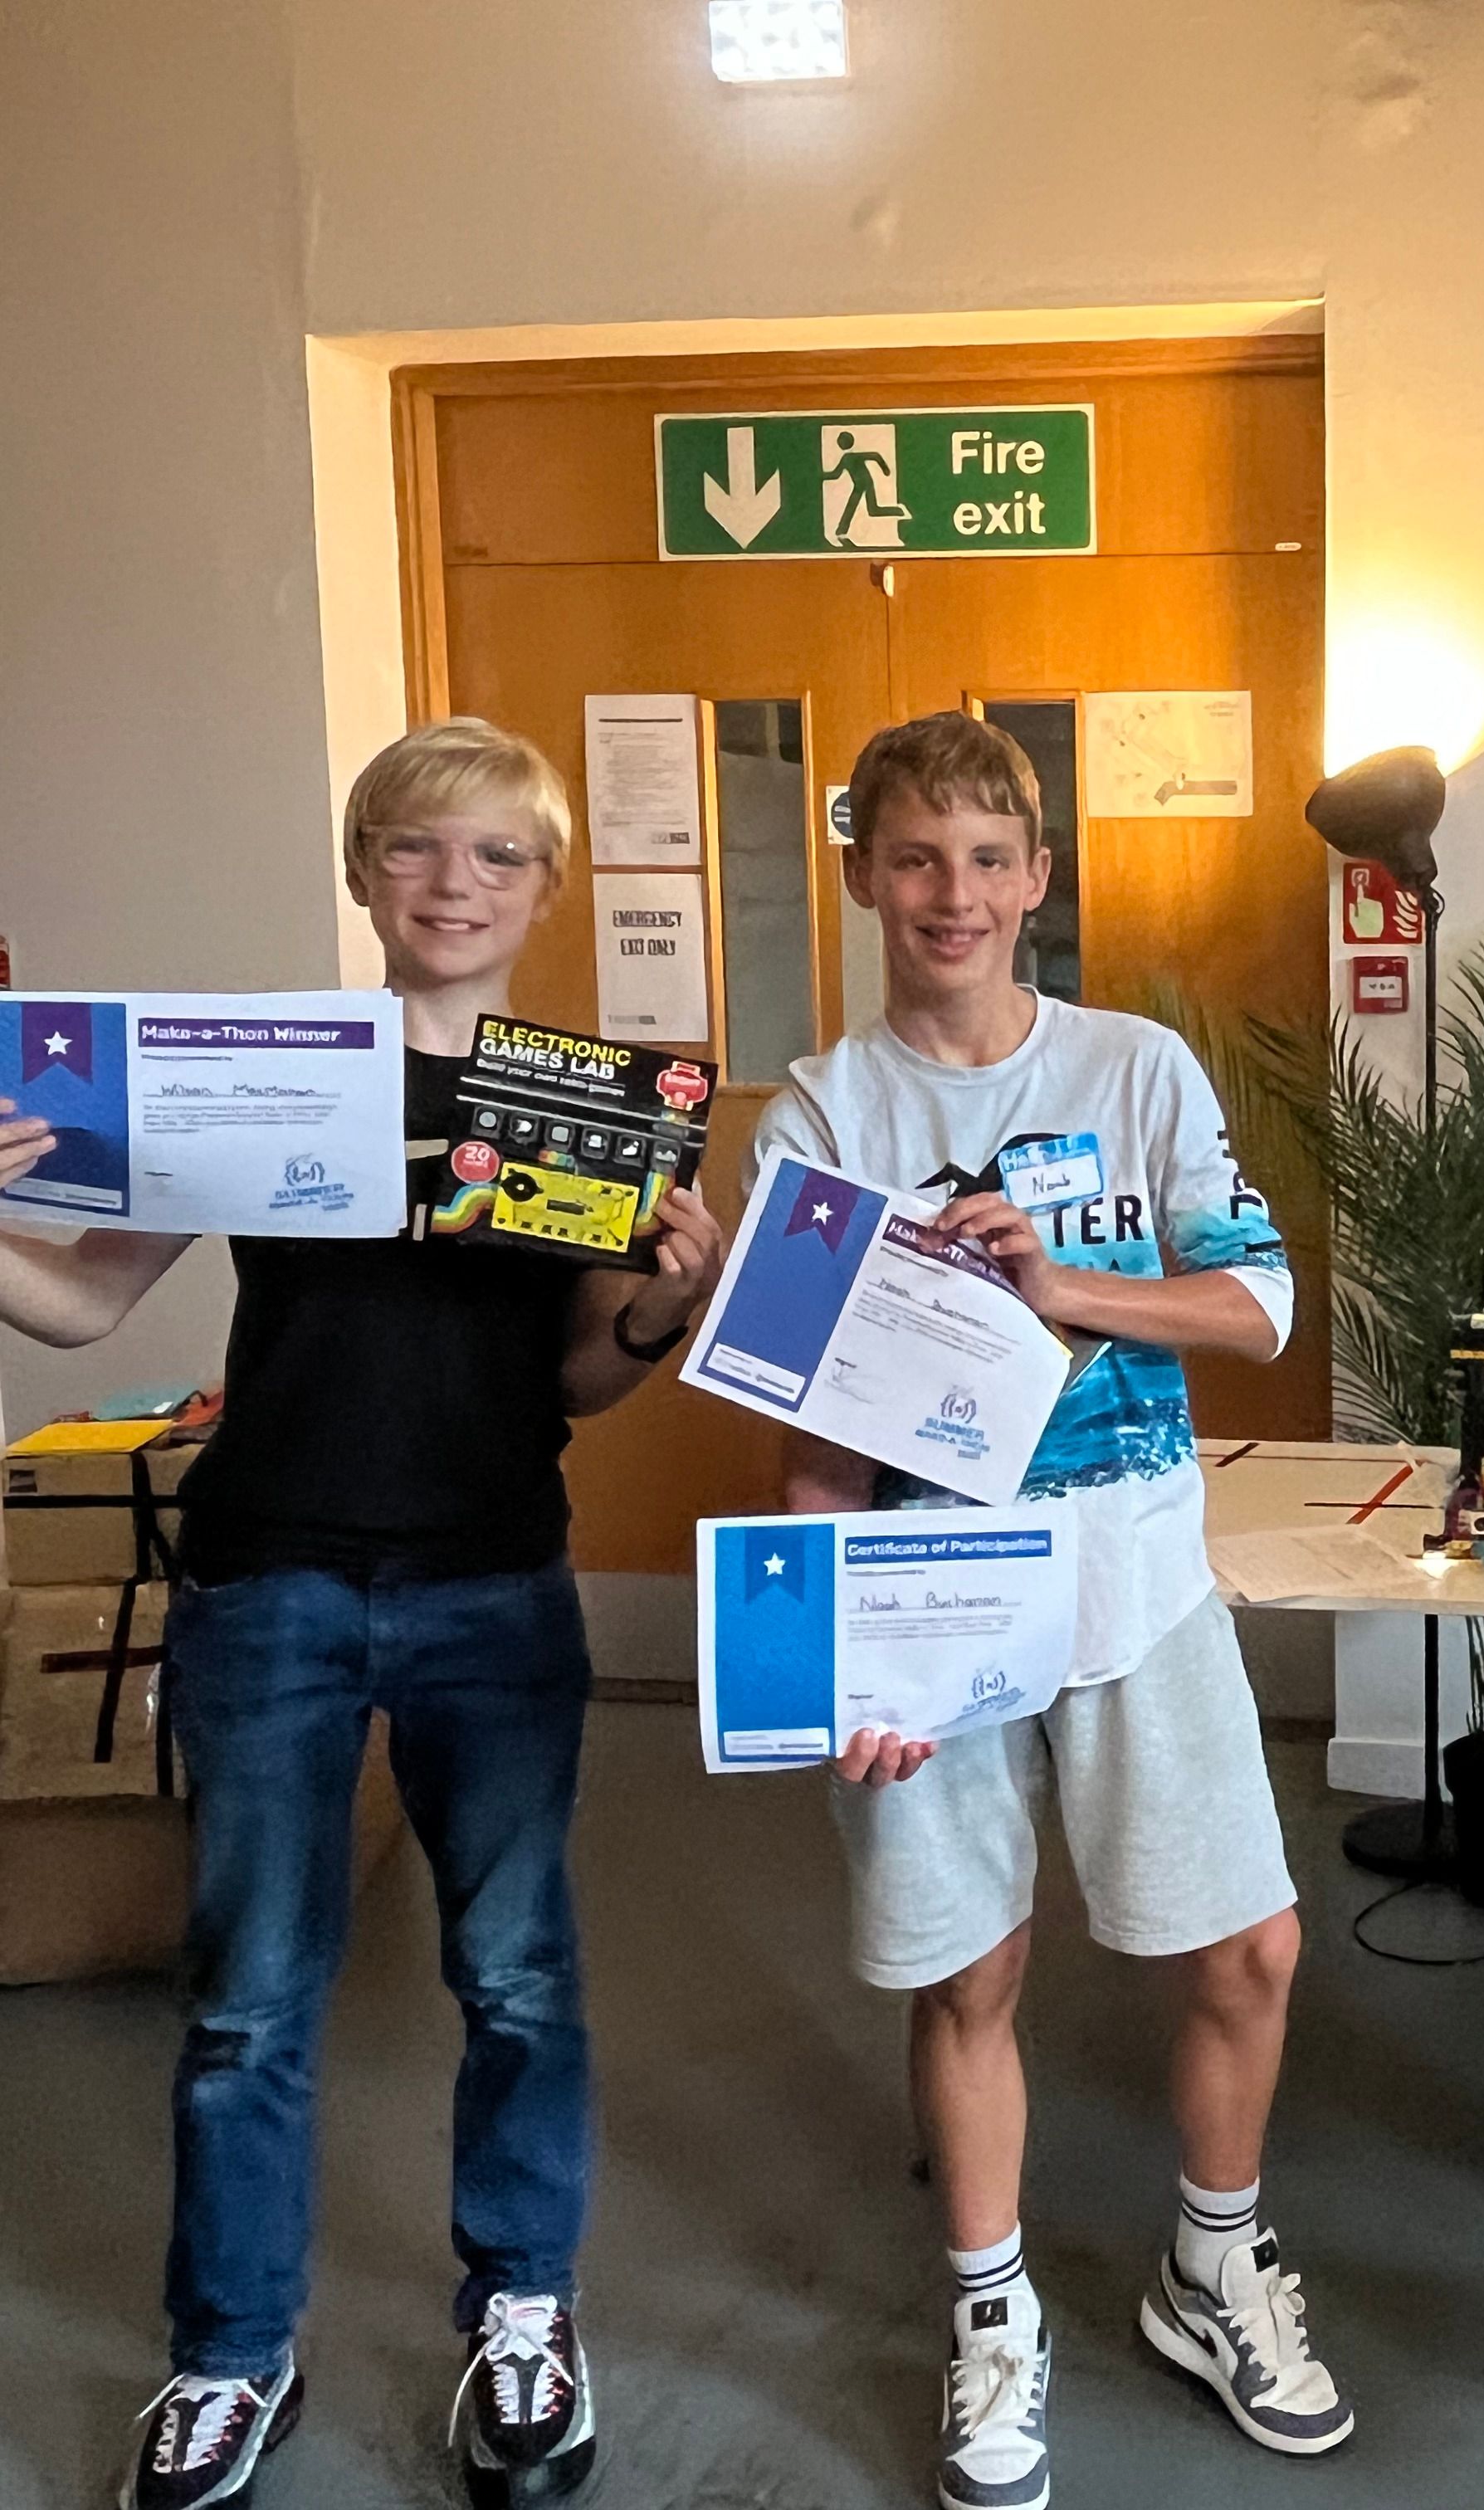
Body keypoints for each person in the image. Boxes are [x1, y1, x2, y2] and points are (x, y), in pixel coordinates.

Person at [0, 718, 730, 2510]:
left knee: (521, 1979)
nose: (455, 886)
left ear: (546, 889)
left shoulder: (586, 1102)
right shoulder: (271, 1069)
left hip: (496, 1577)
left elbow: (576, 1378)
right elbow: (86, 1312)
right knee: (249, 1999)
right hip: (270, 1583)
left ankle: (527, 2316)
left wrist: (658, 1311)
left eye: (496, 858)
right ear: (362, 871)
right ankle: (233, 2359)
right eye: (416, 849)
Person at [756, 711, 1345, 2510]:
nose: (953, 894)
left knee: (1248, 1950)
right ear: (865, 872)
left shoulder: (1135, 1070)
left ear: (1036, 879)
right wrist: (834, 1654)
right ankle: (993, 2311)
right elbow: (810, 1419)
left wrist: (1071, 1281)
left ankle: (1210, 2262)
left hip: (1137, 1570)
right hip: (934, 1600)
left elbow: (1259, 1307)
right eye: (916, 858)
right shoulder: (826, 1110)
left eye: (988, 859)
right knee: (971, 1970)